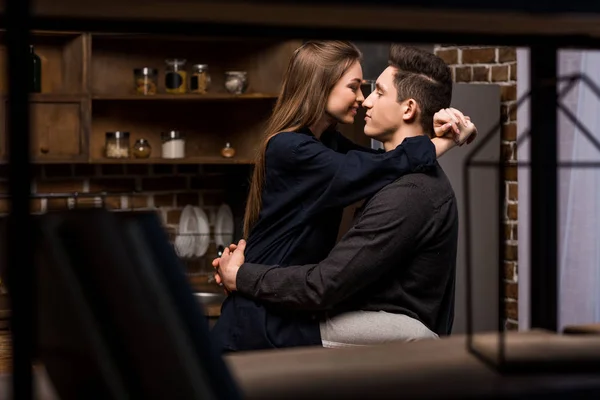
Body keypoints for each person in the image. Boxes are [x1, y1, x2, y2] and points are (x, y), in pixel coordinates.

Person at [211, 41, 476, 353]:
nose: (364, 101)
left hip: (274, 301)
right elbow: (372, 167)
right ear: (322, 85)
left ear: (408, 109)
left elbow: (377, 165)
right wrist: (442, 142)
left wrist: (437, 137)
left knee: (416, 335)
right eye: (357, 88)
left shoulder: (352, 158)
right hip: (259, 309)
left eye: (376, 91)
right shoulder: (292, 148)